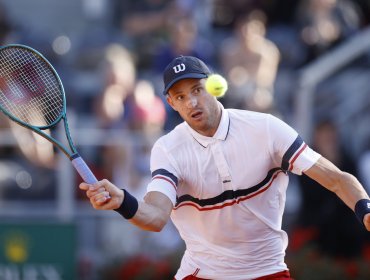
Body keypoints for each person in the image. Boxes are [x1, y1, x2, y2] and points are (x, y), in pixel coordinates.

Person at [80, 56, 370, 280]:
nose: (192, 101)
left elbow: (337, 179)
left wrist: (365, 210)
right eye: (180, 96)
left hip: (266, 270)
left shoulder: (266, 129)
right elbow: (155, 217)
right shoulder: (168, 149)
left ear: (212, 86)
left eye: (196, 89)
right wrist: (122, 201)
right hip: (201, 274)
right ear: (171, 103)